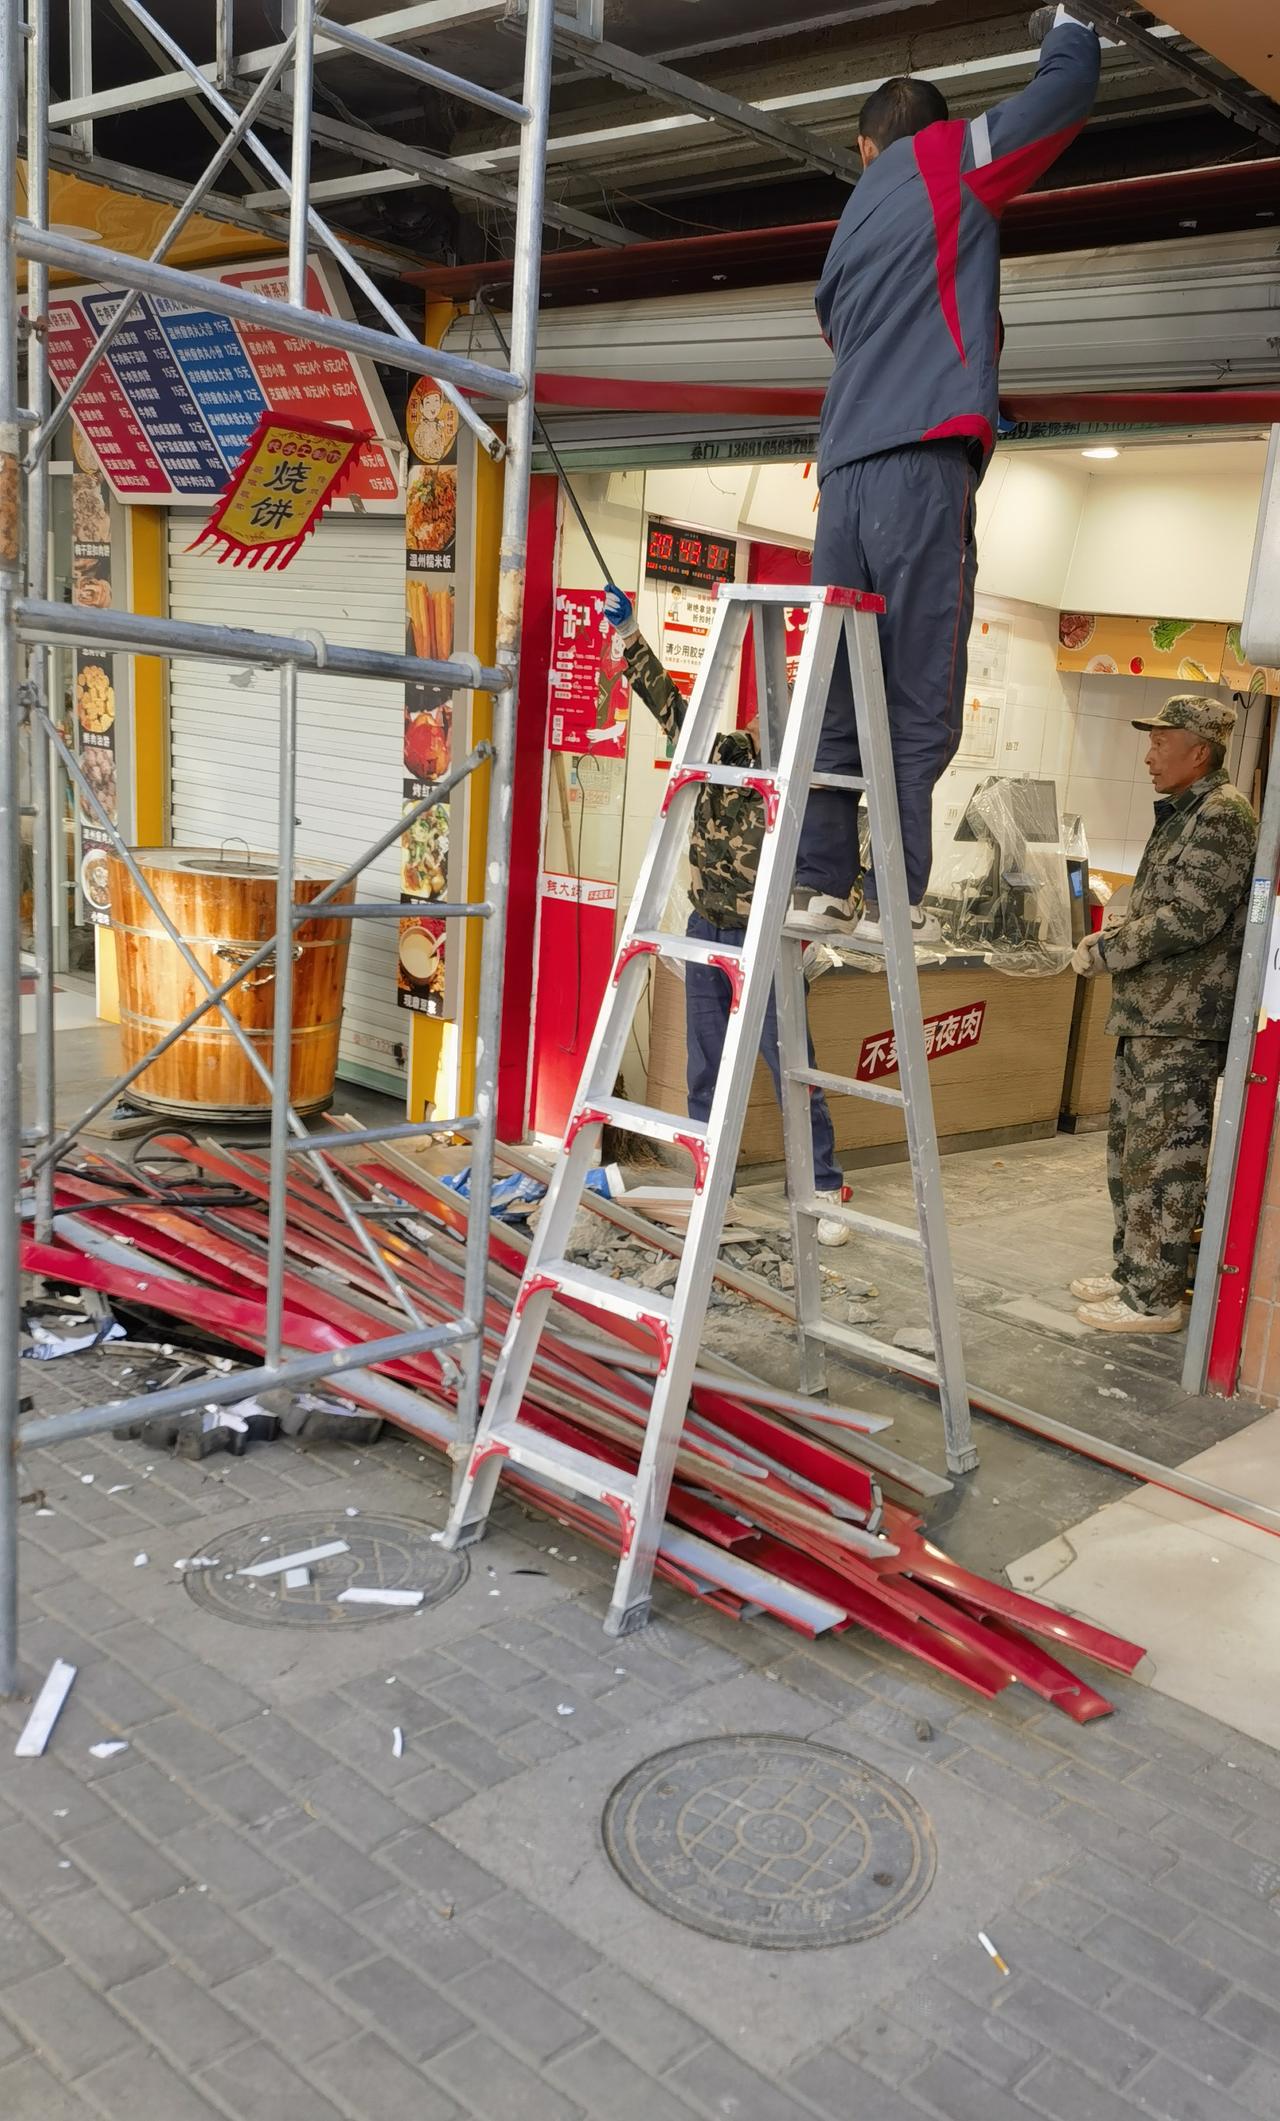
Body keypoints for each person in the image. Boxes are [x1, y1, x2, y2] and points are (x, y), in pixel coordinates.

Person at [789, 6, 1102, 948]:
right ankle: (897, 894)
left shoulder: (848, 223)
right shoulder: (945, 158)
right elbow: (1062, 97)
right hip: (919, 466)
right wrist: (1073, 23)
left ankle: (818, 883)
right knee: (918, 686)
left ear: (862, 145)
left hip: (841, 477)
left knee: (838, 687)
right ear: (926, 130)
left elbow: (839, 327)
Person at [602, 586, 850, 1245]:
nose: (771, 715)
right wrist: (630, 636)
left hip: (768, 939)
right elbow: (670, 706)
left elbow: (838, 868)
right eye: (769, 705)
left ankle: (823, 1188)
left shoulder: (815, 782)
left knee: (790, 1067)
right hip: (707, 930)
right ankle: (715, 1185)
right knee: (706, 1067)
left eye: (786, 706)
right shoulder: (726, 754)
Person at [1071, 697, 1257, 1335]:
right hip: (1150, 1014)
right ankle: (1134, 1272)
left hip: (1183, 1021)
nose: (1148, 756)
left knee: (1164, 1160)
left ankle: (1155, 1299)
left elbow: (1191, 917)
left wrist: (1107, 949)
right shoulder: (1182, 812)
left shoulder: (1221, 815)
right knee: (1130, 1152)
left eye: (1160, 742)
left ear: (1199, 751)